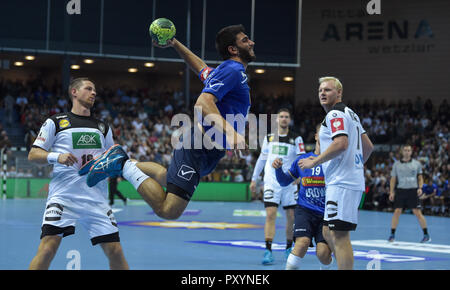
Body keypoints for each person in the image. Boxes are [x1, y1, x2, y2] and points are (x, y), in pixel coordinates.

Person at [81, 25, 255, 220]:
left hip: (211, 152)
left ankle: (121, 163)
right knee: (169, 210)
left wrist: (175, 43)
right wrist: (231, 133)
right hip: (198, 146)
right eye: (246, 40)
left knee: (166, 178)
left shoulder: (231, 73)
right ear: (233, 49)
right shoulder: (232, 70)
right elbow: (203, 102)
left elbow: (202, 69)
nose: (251, 42)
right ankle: (120, 163)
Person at [28, 78, 129, 270]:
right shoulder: (55, 122)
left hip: (95, 199)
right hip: (63, 198)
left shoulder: (103, 127)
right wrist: (57, 157)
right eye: (88, 89)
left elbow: (112, 156)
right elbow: (33, 154)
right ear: (74, 92)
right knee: (47, 249)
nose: (93, 93)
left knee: (115, 251)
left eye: (95, 90)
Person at [298, 76, 374, 270]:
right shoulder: (351, 114)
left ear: (339, 93)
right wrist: (355, 166)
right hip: (345, 181)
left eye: (328, 90)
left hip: (341, 183)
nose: (322, 93)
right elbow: (368, 148)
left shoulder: (335, 114)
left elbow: (341, 143)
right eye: (320, 90)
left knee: (340, 236)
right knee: (327, 230)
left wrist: (315, 160)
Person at [273, 123, 333, 270]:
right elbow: (283, 181)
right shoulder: (303, 160)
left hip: (327, 214)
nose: (326, 135)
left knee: (323, 254)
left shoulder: (334, 162)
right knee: (302, 243)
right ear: (316, 136)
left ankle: (327, 266)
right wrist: (278, 169)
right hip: (305, 210)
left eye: (330, 133)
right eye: (323, 132)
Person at [249, 108, 306, 265]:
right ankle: (268, 250)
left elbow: (302, 159)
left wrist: (300, 176)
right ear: (276, 120)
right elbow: (262, 159)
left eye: (287, 117)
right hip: (272, 182)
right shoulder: (269, 137)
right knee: (270, 214)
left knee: (291, 217)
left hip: (289, 183)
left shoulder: (297, 138)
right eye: (281, 116)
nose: (284, 119)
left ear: (290, 120)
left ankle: (289, 248)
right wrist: (254, 179)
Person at [388, 144, 430, 243]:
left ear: (411, 152)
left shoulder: (417, 164)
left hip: (412, 190)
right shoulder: (396, 164)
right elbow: (393, 179)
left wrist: (420, 188)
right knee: (397, 211)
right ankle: (392, 234)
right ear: (402, 152)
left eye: (409, 150)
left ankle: (426, 235)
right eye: (405, 150)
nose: (407, 152)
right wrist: (391, 192)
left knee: (417, 213)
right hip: (401, 190)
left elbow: (420, 177)